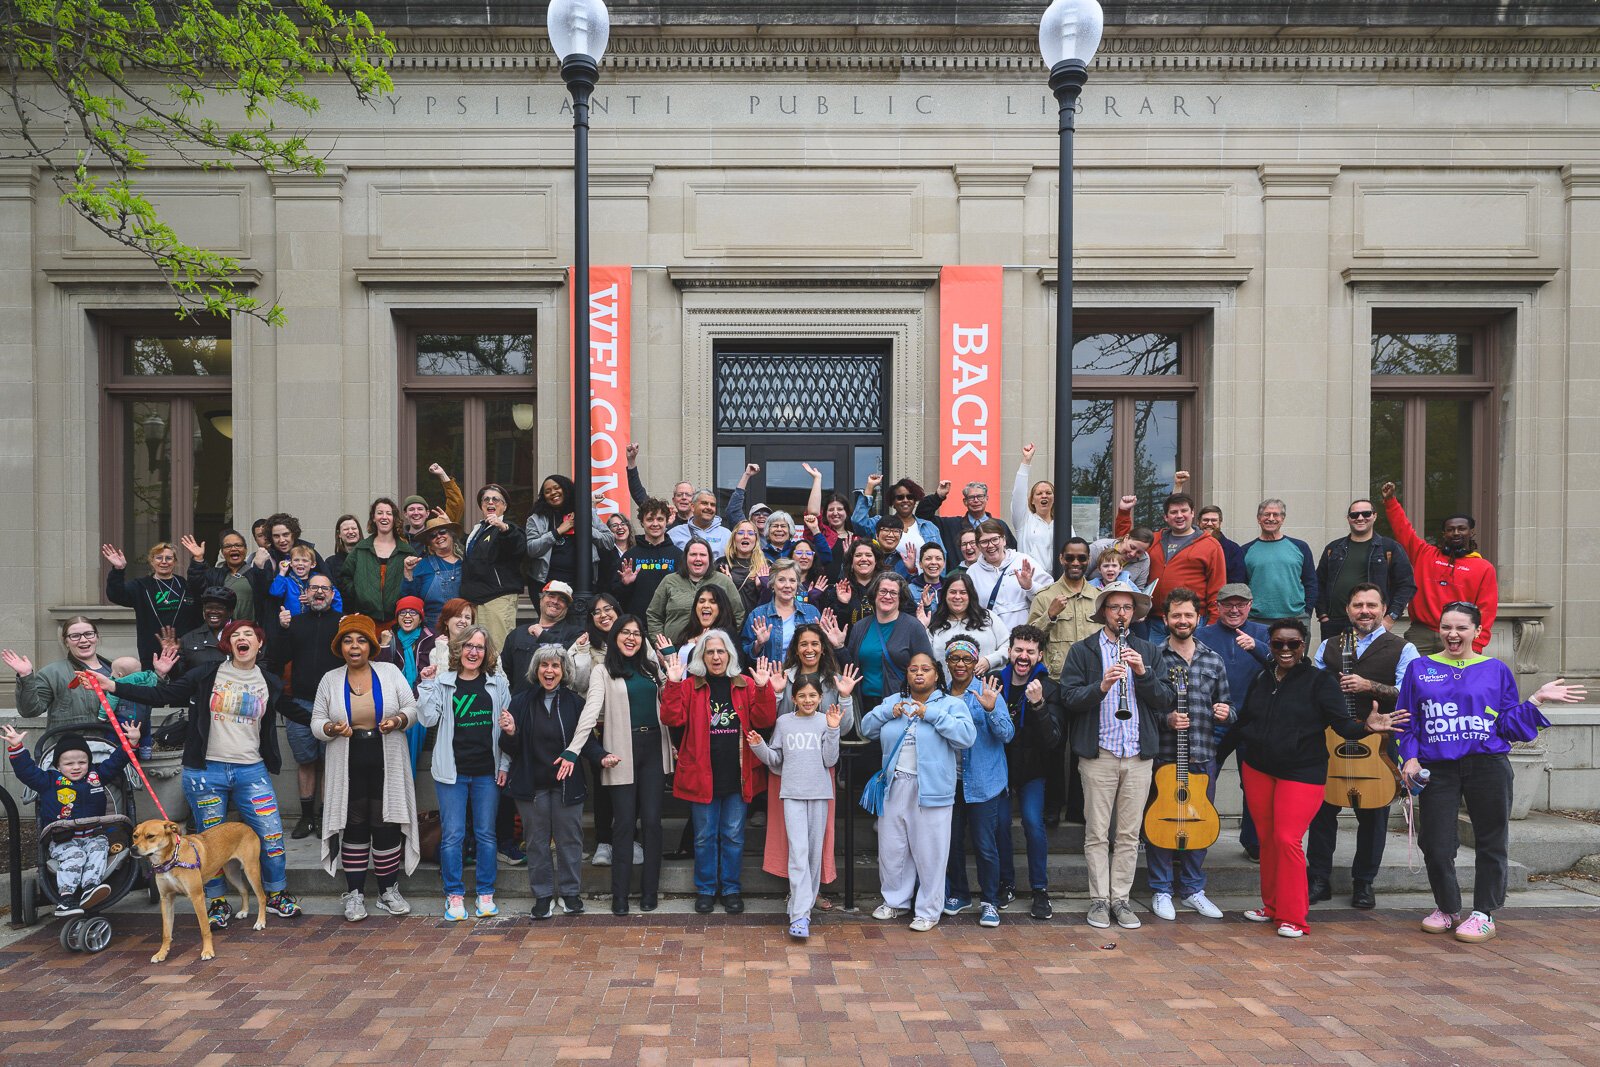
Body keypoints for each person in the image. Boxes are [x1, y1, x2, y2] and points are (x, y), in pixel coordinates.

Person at [96, 619, 308, 926]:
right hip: (207, 773)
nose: (243, 638)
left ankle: (276, 894)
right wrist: (113, 685)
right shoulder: (208, 674)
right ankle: (217, 901)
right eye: (236, 635)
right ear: (228, 644)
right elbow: (162, 695)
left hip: (252, 771)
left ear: (260, 644)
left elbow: (294, 710)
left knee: (271, 834)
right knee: (209, 842)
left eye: (249, 634)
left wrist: (333, 724)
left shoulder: (269, 681)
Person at [1396, 602, 1585, 944]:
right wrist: (1409, 758)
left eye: (1461, 628)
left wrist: (1536, 700)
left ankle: (1484, 912)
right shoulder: (1419, 669)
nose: (1453, 634)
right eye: (1446, 627)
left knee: (1490, 840)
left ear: (1477, 631)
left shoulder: (1496, 669)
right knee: (1436, 843)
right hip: (1438, 766)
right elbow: (1406, 720)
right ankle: (1448, 908)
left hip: (1487, 765)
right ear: (1439, 630)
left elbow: (1508, 725)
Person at [1233, 617, 1406, 939]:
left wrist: (1368, 727)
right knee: (1268, 840)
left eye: (1293, 644)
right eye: (1278, 643)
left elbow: (1343, 726)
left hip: (1301, 773)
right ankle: (1271, 906)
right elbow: (1245, 721)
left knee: (1287, 839)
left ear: (1304, 645)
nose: (1285, 650)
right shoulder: (1263, 677)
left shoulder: (1319, 681)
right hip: (1258, 769)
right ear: (1269, 646)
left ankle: (1294, 917)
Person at [1058, 581, 1176, 931]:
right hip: (1100, 755)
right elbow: (1069, 698)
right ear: (1104, 613)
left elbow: (1165, 699)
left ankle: (1121, 900)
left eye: (1127, 608)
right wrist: (1103, 687)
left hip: (1138, 755)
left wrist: (1143, 673)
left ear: (1135, 614)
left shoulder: (1149, 651)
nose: (1121, 614)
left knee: (1128, 834)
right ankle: (1099, 900)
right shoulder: (1083, 651)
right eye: (1114, 607)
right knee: (1096, 833)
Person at [1304, 583, 1420, 910]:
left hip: (1379, 740)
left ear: (1384, 609)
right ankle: (1319, 880)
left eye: (1371, 604)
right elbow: (1314, 689)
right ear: (1348, 610)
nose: (1364, 611)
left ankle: (1364, 883)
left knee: (1373, 814)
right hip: (1333, 738)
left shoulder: (1403, 648)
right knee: (1322, 813)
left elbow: (1408, 693)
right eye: (1358, 605)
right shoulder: (1329, 645)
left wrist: (1369, 686)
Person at [660, 632, 779, 915]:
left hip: (737, 776)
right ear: (702, 656)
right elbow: (670, 718)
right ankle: (705, 889)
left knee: (734, 835)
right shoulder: (690, 687)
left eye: (721, 652)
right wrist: (673, 684)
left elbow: (765, 720)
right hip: (702, 776)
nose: (716, 657)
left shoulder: (746, 684)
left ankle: (730, 889)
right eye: (710, 652)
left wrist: (764, 690)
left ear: (730, 656)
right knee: (703, 836)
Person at [311, 613, 419, 922]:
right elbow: (316, 721)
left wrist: (398, 720)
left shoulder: (389, 672)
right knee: (354, 824)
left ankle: (388, 891)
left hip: (386, 754)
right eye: (348, 640)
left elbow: (411, 709)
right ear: (340, 646)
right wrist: (330, 727)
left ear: (371, 646)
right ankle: (355, 894)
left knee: (386, 822)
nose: (354, 646)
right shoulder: (330, 679)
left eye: (361, 640)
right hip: (347, 759)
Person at [861, 651, 976, 932]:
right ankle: (895, 901)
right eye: (913, 669)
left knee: (931, 852)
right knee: (892, 848)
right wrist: (889, 711)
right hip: (895, 785)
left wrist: (932, 714)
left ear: (937, 674)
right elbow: (866, 727)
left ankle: (928, 910)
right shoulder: (893, 701)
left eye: (926, 669)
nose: (919, 674)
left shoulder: (951, 704)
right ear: (907, 675)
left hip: (932, 789)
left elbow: (967, 737)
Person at [501, 644, 617, 920]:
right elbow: (510, 747)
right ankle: (542, 896)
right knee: (536, 842)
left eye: (555, 666)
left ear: (564, 671)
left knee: (570, 841)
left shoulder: (575, 703)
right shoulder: (521, 701)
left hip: (568, 785)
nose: (549, 671)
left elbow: (586, 742)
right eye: (544, 665)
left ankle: (570, 893)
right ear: (536, 670)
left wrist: (602, 757)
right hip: (531, 786)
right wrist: (510, 732)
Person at [1147, 588, 1233, 922]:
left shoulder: (1213, 659)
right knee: (1160, 824)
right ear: (1165, 618)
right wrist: (1165, 719)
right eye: (1176, 615)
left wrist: (1227, 713)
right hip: (1164, 758)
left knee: (1200, 823)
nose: (1182, 621)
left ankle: (1193, 889)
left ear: (1199, 618)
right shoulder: (1154, 657)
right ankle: (1161, 889)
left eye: (1188, 615)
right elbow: (1144, 709)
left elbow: (1228, 705)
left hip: (1202, 756)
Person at [417, 624, 510, 922]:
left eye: (479, 647)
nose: (473, 652)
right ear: (458, 650)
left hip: (487, 772)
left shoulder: (498, 683)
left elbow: (506, 730)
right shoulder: (444, 682)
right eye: (468, 646)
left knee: (486, 834)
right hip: (451, 773)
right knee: (453, 835)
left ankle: (485, 893)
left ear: (487, 653)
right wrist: (427, 685)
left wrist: (505, 765)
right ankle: (454, 895)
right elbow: (427, 718)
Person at [583, 615, 673, 914]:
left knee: (651, 823)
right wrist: (574, 748)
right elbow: (591, 710)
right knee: (622, 824)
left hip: (654, 749)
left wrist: (671, 671)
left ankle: (650, 892)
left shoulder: (651, 669)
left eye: (636, 633)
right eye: (625, 633)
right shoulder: (603, 670)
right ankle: (619, 895)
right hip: (621, 749)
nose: (631, 638)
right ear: (615, 637)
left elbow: (671, 700)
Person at [764, 626, 859, 905]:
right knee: (790, 834)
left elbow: (844, 728)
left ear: (823, 647)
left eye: (815, 644)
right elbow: (774, 721)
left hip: (820, 768)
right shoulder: (784, 677)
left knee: (818, 834)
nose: (809, 649)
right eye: (803, 643)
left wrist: (845, 697)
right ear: (795, 648)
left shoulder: (834, 680)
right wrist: (778, 694)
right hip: (788, 766)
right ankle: (797, 890)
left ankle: (811, 892)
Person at [747, 679, 844, 940]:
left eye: (813, 695)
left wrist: (833, 730)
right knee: (798, 853)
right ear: (794, 698)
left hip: (820, 794)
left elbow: (830, 760)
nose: (808, 700)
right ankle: (800, 916)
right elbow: (776, 762)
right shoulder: (784, 723)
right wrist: (759, 747)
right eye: (802, 695)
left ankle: (801, 908)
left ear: (821, 697)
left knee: (812, 855)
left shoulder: (826, 721)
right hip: (792, 795)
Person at [3, 724, 133, 915]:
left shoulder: (96, 776)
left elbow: (117, 762)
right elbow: (27, 772)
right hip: (63, 839)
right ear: (57, 765)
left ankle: (90, 887)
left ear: (89, 762)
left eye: (82, 762)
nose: (76, 767)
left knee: (99, 848)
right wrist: (17, 748)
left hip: (92, 835)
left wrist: (131, 742)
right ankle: (66, 897)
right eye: (69, 764)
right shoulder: (48, 781)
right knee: (76, 856)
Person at [991, 625, 1066, 920]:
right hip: (1001, 767)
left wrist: (1039, 706)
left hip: (1034, 769)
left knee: (1033, 824)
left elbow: (1054, 740)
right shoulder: (995, 681)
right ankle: (1006, 883)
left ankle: (1039, 889)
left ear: (1040, 655)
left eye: (1030, 652)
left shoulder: (1049, 688)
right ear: (1009, 651)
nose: (1023, 656)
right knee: (999, 824)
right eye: (1018, 650)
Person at [1197, 583, 1273, 861]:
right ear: (1217, 607)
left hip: (1252, 722)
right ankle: (1195, 836)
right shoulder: (1201, 634)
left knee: (1254, 784)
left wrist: (1257, 648)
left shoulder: (1263, 633)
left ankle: (1253, 841)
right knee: (1202, 780)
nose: (1234, 609)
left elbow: (1284, 665)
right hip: (1213, 720)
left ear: (1250, 606)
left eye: (1241, 604)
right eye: (1228, 604)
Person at [939, 642, 1011, 928]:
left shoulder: (987, 690)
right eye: (954, 658)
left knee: (985, 845)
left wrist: (992, 710)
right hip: (948, 781)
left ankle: (990, 900)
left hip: (983, 781)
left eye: (966, 659)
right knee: (953, 842)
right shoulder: (939, 694)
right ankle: (959, 893)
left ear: (975, 662)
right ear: (946, 662)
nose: (960, 664)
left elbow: (1007, 734)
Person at [1380, 481, 1498, 654]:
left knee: (1456, 681)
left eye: (1461, 529)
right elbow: (1403, 530)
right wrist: (1390, 502)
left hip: (1459, 636)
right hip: (1421, 633)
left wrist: (1477, 644)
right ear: (1444, 534)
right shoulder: (1425, 554)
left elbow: (1486, 610)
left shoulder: (1484, 567)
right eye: (1450, 529)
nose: (1456, 533)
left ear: (1471, 532)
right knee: (1413, 678)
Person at [267, 573, 342, 841]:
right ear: (306, 594)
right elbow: (275, 660)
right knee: (306, 761)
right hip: (299, 703)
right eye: (314, 588)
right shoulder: (294, 623)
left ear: (333, 595)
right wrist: (282, 629)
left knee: (330, 762)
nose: (319, 592)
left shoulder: (341, 624)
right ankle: (307, 816)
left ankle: (325, 817)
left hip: (335, 705)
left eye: (325, 588)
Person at [6, 617, 171, 733]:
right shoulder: (52, 673)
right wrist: (26, 676)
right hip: (71, 756)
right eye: (75, 636)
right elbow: (30, 711)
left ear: (97, 637)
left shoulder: (120, 670)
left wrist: (160, 676)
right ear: (66, 641)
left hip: (113, 753)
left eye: (88, 634)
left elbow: (147, 700)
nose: (83, 640)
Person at [825, 571, 934, 718]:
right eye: (883, 591)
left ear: (900, 598)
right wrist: (839, 647)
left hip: (902, 706)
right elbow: (851, 670)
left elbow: (928, 669)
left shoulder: (913, 627)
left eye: (893, 593)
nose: (887, 596)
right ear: (874, 594)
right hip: (866, 706)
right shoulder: (860, 627)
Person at [1114, 490, 1225, 632]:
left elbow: (1217, 586)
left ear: (1192, 513)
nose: (1179, 515)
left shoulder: (1210, 545)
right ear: (1166, 517)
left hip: (1190, 621)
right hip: (1154, 621)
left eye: (1184, 510)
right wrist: (1124, 512)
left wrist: (1213, 623)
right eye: (1174, 512)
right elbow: (1125, 544)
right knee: (1153, 655)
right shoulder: (1155, 539)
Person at [1314, 497, 1414, 645]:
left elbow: (1406, 585)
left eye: (1366, 513)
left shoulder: (1389, 548)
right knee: (1333, 666)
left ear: (1374, 516)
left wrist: (1389, 618)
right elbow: (1318, 583)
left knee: (1371, 666)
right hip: (1334, 624)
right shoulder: (1333, 548)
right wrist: (1323, 615)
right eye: (1354, 515)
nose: (1360, 518)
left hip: (1371, 624)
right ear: (1348, 519)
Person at [103, 541, 203, 668]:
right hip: (152, 651)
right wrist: (118, 570)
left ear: (175, 562)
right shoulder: (140, 586)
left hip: (184, 649)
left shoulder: (184, 585)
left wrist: (199, 560)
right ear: (151, 561)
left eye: (169, 558)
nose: (164, 561)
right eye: (159, 558)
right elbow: (115, 595)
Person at [525, 473, 617, 597]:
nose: (553, 492)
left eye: (557, 488)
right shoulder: (536, 519)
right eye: (548, 491)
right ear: (544, 497)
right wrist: (557, 531)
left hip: (582, 587)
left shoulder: (586, 512)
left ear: (566, 489)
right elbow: (531, 549)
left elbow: (609, 542)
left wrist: (585, 528)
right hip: (546, 585)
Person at [461, 483, 525, 654]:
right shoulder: (479, 530)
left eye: (495, 499)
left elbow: (518, 546)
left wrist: (503, 528)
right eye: (486, 499)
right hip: (475, 601)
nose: (490, 502)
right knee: (478, 652)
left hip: (497, 599)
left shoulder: (506, 529)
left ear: (504, 506)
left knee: (498, 651)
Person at [338, 498, 417, 626]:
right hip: (366, 619)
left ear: (394, 518)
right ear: (373, 518)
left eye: (389, 513)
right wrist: (360, 593)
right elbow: (345, 577)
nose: (384, 517)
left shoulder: (407, 551)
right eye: (380, 513)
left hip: (399, 621)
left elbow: (416, 584)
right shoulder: (360, 549)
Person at [646, 538, 744, 640]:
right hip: (673, 650)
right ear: (685, 558)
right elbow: (654, 615)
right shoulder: (669, 581)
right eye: (693, 554)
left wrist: (724, 641)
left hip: (712, 650)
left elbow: (738, 614)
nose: (698, 559)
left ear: (710, 558)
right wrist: (661, 645)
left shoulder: (724, 581)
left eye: (702, 555)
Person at [377, 595, 434, 771]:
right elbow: (382, 672)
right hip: (394, 699)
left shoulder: (430, 639)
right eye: (402, 612)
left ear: (420, 616)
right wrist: (384, 646)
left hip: (420, 699)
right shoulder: (391, 637)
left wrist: (413, 699)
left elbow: (430, 671)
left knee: (413, 725)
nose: (407, 616)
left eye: (412, 612)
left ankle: (407, 776)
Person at [1029, 538, 1098, 678]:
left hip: (1094, 679)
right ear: (1061, 559)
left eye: (1082, 558)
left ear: (1089, 559)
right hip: (1057, 680)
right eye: (1069, 558)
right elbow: (1029, 640)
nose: (1075, 563)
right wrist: (1049, 615)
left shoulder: (1099, 598)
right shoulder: (1044, 597)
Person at [1240, 499, 1317, 624]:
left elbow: (1311, 582)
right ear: (1258, 518)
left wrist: (1307, 612)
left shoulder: (1300, 547)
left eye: (1276, 515)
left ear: (1283, 519)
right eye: (1266, 514)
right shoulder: (1245, 550)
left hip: (1296, 618)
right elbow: (1241, 586)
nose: (1271, 518)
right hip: (1256, 620)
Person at [965, 519, 1050, 631]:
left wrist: (1030, 587)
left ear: (1004, 540)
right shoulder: (972, 572)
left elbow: (1048, 597)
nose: (990, 545)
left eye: (995, 539)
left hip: (1023, 637)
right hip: (991, 636)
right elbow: (969, 609)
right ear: (978, 546)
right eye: (984, 542)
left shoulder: (1023, 561)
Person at [502, 581, 585, 694]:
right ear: (541, 599)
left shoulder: (576, 633)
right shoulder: (517, 634)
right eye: (551, 596)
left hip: (558, 705)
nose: (555, 601)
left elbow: (570, 659)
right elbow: (504, 672)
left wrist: (543, 635)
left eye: (562, 599)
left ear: (566, 607)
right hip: (521, 705)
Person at [924, 572, 1008, 673]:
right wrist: (923, 627)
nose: (957, 597)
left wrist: (990, 661)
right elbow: (925, 658)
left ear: (971, 595)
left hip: (988, 685)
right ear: (945, 595)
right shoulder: (935, 624)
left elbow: (1008, 646)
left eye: (963, 592)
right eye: (953, 592)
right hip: (948, 687)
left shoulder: (987, 617)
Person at [617, 498, 685, 620]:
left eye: (660, 519)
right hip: (637, 626)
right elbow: (616, 596)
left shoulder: (679, 556)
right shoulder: (629, 557)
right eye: (649, 519)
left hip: (670, 623)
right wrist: (625, 585)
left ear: (666, 522)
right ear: (642, 522)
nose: (655, 524)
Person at [743, 558, 821, 664]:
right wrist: (758, 644)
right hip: (769, 677)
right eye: (781, 580)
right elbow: (744, 656)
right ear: (772, 583)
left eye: (792, 580)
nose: (787, 585)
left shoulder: (812, 612)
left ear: (797, 584)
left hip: (803, 678)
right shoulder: (758, 615)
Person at [183, 530, 269, 625]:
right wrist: (198, 559)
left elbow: (267, 598)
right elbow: (195, 587)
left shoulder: (256, 574)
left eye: (238, 545)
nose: (233, 549)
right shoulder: (214, 574)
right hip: (221, 632)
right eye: (228, 546)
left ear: (245, 550)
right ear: (222, 552)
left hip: (249, 631)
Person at [851, 473, 944, 557]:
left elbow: (941, 557)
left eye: (910, 497)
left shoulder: (929, 527)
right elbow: (858, 522)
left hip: (922, 576)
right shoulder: (880, 523)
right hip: (886, 575)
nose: (905, 500)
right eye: (900, 497)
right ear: (893, 502)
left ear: (915, 500)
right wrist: (870, 487)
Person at [916, 478, 1015, 552]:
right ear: (965, 502)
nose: (976, 500)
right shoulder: (951, 525)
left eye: (980, 496)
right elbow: (922, 516)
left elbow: (1012, 551)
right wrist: (938, 496)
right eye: (971, 497)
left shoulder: (1000, 525)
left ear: (986, 499)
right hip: (959, 577)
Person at [402, 513, 464, 629]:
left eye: (442, 532)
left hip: (463, 625)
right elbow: (410, 600)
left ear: (451, 535)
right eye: (433, 536)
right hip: (432, 627)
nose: (439, 536)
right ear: (430, 544)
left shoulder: (466, 562)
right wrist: (408, 574)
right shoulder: (422, 565)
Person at [624, 443, 695, 528]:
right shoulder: (664, 518)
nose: (684, 497)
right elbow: (638, 494)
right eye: (679, 495)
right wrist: (631, 461)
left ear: (694, 500)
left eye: (688, 495)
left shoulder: (702, 520)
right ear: (674, 500)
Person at [400, 462, 466, 551]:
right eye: (411, 509)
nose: (416, 513)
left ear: (427, 513)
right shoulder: (398, 538)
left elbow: (456, 503)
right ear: (405, 514)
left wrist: (442, 475)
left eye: (420, 509)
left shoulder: (437, 533)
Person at [1009, 443, 1057, 567]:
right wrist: (1026, 461)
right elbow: (1018, 494)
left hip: (1058, 581)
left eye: (1048, 493)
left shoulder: (1063, 524)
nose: (1044, 496)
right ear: (1032, 500)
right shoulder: (1024, 521)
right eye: (1039, 493)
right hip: (1031, 581)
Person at [272, 544, 343, 620]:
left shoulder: (319, 580)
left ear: (312, 564)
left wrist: (335, 617)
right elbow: (275, 592)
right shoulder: (287, 581)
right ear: (291, 563)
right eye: (296, 560)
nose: (300, 563)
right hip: (294, 621)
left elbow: (335, 596)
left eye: (305, 560)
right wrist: (282, 572)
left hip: (316, 620)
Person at [820, 540, 882, 627]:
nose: (863, 559)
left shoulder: (886, 588)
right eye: (858, 555)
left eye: (868, 555)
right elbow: (833, 626)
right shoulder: (839, 590)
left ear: (876, 561)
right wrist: (842, 604)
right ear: (851, 562)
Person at [176, 586, 235, 674]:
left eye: (219, 608)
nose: (213, 611)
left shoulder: (244, 636)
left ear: (230, 612)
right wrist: (171, 660)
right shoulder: (189, 639)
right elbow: (179, 676)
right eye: (209, 607)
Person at [720, 520, 769, 614]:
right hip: (729, 621)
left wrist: (762, 586)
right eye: (741, 533)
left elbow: (774, 601)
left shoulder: (766, 565)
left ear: (756, 539)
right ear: (734, 538)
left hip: (756, 622)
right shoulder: (721, 564)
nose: (745, 536)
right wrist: (727, 585)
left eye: (750, 533)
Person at [1086, 526, 1154, 592]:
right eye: (1132, 547)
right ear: (1126, 538)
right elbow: (1081, 576)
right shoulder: (1099, 548)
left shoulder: (1144, 560)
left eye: (1139, 552)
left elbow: (1139, 589)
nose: (1132, 554)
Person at [1194, 503, 1247, 586]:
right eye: (1205, 520)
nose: (1209, 524)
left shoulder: (1233, 550)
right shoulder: (1190, 546)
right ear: (1198, 522)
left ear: (1220, 523)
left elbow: (1237, 582)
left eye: (1214, 520)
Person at [667, 489, 732, 556]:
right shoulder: (675, 533)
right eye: (704, 503)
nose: (709, 507)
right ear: (692, 507)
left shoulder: (726, 535)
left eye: (712, 505)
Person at [905, 543, 947, 612]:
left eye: (938, 558)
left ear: (944, 564)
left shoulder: (950, 588)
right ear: (920, 564)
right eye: (928, 558)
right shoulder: (910, 590)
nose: (933, 562)